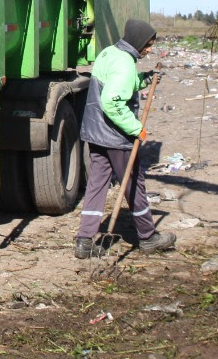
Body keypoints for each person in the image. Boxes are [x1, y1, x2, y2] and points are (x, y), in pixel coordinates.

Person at [74, 18, 177, 258]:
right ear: (139, 41)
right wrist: (135, 128)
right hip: (116, 135)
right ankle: (148, 237)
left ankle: (84, 240)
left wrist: (145, 79)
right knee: (133, 185)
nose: (149, 49)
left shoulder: (109, 53)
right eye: (148, 44)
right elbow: (112, 101)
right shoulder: (125, 64)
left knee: (97, 184)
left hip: (96, 133)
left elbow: (118, 85)